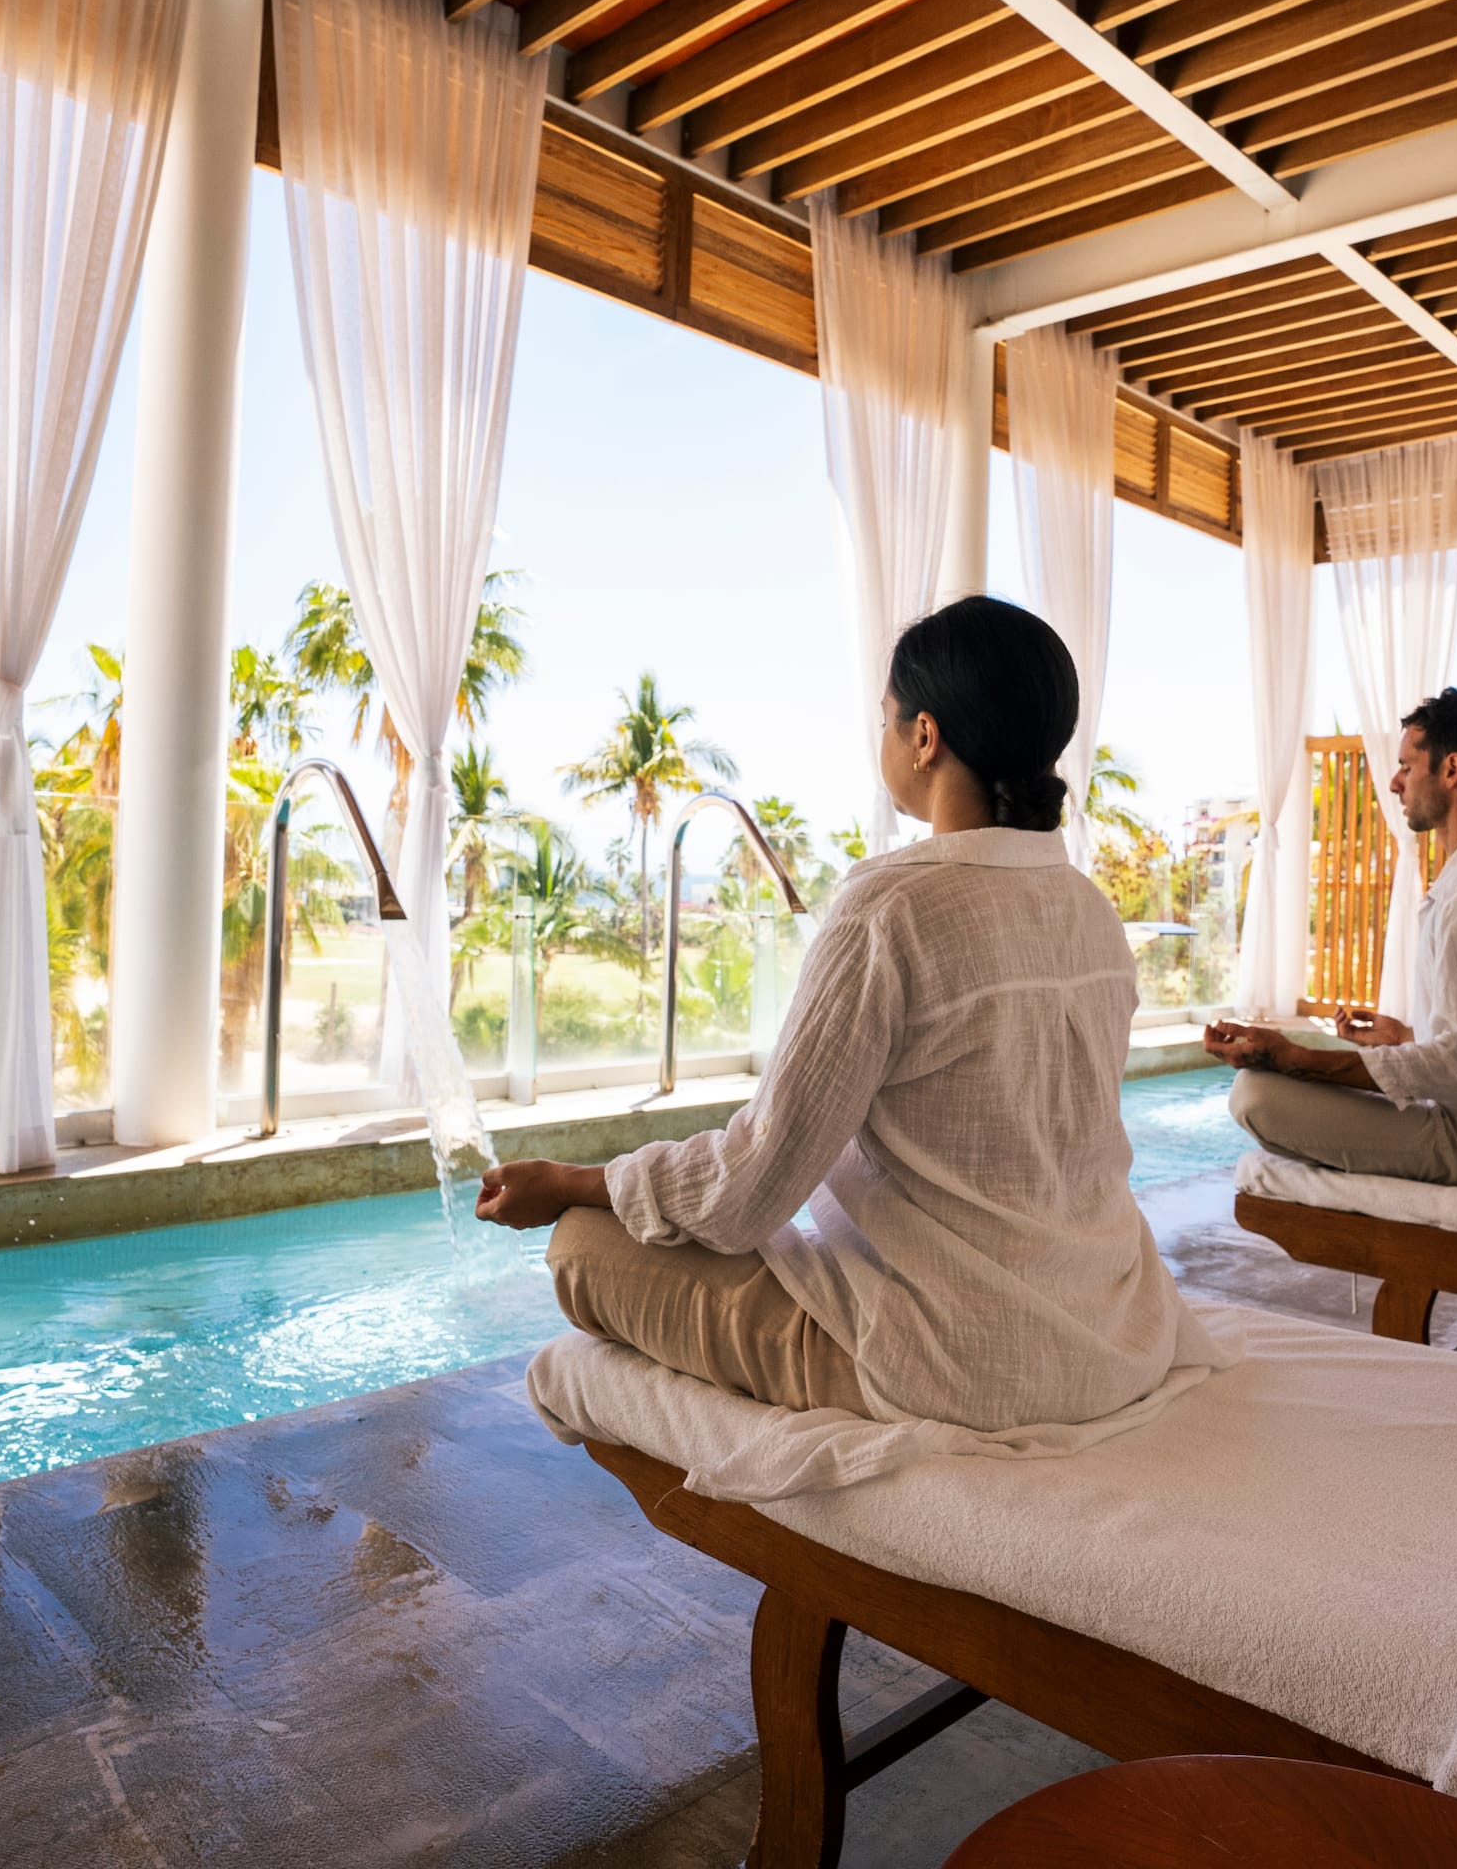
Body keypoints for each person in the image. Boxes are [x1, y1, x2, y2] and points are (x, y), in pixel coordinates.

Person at [475, 594, 1228, 1452]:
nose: (884, 739)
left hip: (960, 1360)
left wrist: (579, 1182)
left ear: (923, 737)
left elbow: (750, 1190)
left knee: (581, 1248)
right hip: (1112, 1335)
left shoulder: (891, 907)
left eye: (886, 720)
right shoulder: (1091, 911)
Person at [1206, 687, 1457, 1193]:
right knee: (1281, 1082)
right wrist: (1404, 1039)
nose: (1395, 783)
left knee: (1255, 1097)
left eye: (1405, 765)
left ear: (1452, 769)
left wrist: (1298, 1059)